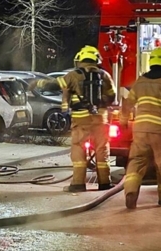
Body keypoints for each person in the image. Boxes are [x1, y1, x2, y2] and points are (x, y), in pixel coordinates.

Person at [35, 46, 116, 191]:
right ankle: (104, 183)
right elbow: (112, 96)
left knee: (79, 149)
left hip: (81, 120)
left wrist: (38, 83)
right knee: (102, 149)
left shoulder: (73, 75)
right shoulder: (104, 75)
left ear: (80, 60)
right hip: (100, 121)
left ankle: (78, 183)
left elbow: (55, 85)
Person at [120, 47, 161, 209]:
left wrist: (123, 121)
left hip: (140, 130)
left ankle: (130, 190)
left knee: (136, 161)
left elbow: (128, 103)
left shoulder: (140, 81)